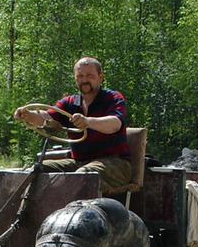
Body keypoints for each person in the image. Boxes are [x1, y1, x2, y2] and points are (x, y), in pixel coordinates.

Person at [13, 57, 132, 194]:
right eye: (80, 76)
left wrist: (87, 121)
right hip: (78, 162)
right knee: (34, 170)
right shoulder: (69, 102)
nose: (84, 79)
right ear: (75, 78)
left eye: (90, 76)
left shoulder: (112, 98)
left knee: (81, 177)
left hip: (116, 164)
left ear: (100, 77)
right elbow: (46, 117)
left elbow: (115, 124)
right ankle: (28, 214)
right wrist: (27, 115)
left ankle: (79, 215)